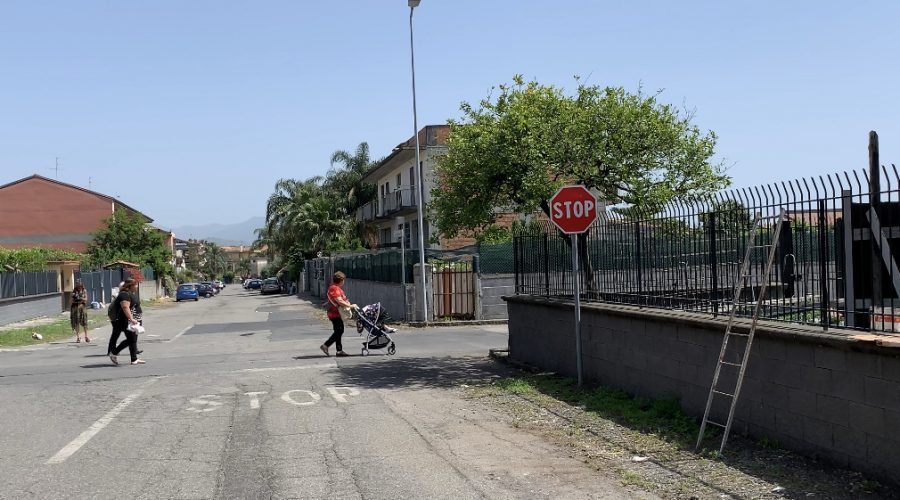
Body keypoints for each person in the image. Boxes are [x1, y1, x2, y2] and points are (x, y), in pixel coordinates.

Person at [107, 279, 145, 365]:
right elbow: (125, 307)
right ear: (130, 286)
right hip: (124, 321)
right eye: (135, 285)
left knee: (132, 339)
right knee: (131, 339)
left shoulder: (131, 294)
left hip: (132, 320)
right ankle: (114, 353)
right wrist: (131, 319)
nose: (137, 286)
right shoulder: (124, 294)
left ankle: (134, 359)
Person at [320, 271, 357, 357]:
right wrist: (350, 306)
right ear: (341, 280)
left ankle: (339, 351)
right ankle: (326, 345)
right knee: (339, 331)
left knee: (339, 331)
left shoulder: (335, 288)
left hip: (336, 313)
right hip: (334, 313)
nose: (344, 282)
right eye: (343, 280)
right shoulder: (335, 288)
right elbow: (339, 300)